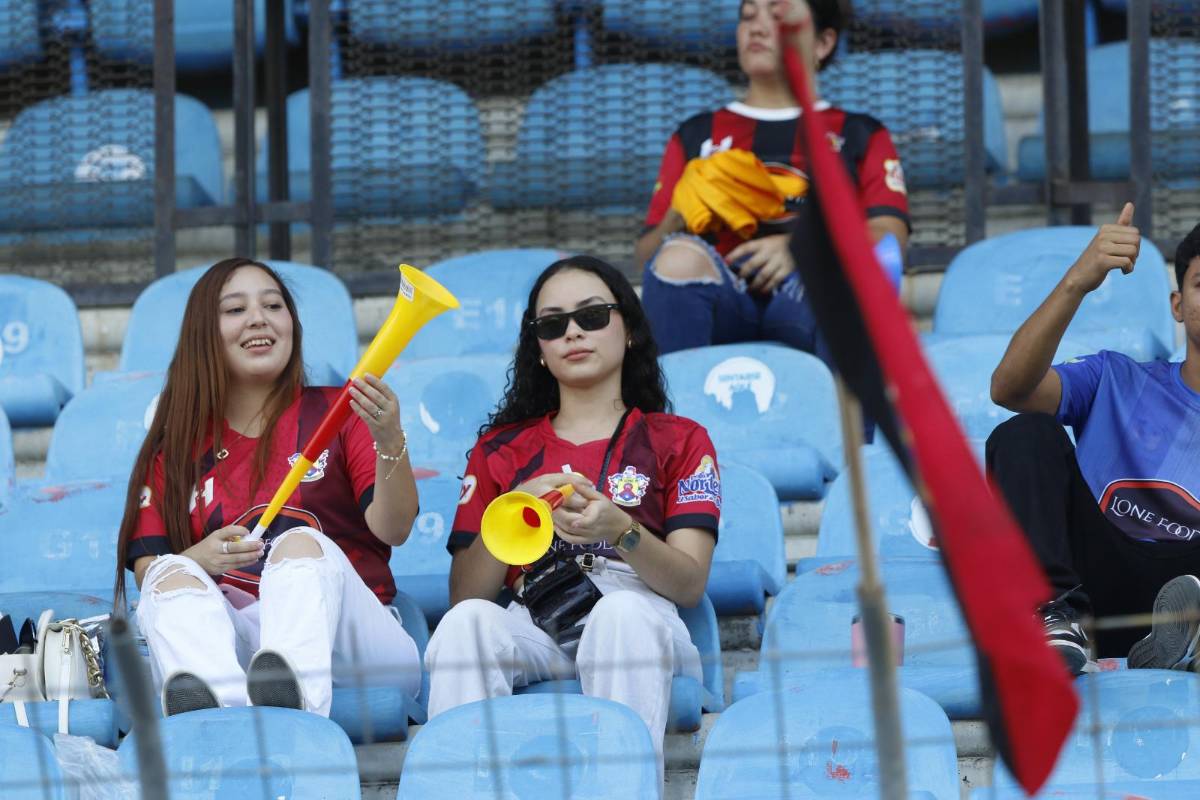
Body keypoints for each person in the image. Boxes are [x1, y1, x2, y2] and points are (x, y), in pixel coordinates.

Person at [424, 255, 720, 788]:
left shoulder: (679, 439)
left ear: (629, 329)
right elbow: (466, 595)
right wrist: (513, 505)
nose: (573, 333)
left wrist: (620, 531)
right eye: (552, 324)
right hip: (533, 612)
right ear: (538, 348)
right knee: (465, 625)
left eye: (592, 315)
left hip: (639, 612)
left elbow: (690, 583)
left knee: (621, 616)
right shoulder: (499, 450)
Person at [114, 257, 422, 716]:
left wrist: (390, 440)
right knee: (168, 573)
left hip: (359, 647)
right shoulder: (174, 446)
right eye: (235, 309)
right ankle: (218, 720)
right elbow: (148, 570)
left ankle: (292, 714)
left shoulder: (342, 411)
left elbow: (393, 529)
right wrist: (201, 558)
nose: (259, 318)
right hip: (241, 641)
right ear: (204, 334)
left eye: (273, 306)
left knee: (298, 544)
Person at [637, 0, 910, 364]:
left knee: (842, 276)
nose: (758, 27)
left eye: (778, 17)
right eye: (748, 15)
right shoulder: (695, 134)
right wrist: (678, 214)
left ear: (822, 43)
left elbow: (890, 237)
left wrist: (803, 247)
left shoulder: (861, 133)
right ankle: (674, 404)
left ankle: (843, 405)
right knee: (676, 259)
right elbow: (647, 258)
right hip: (720, 295)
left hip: (811, 292)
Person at [989, 203, 1200, 673]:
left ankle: (1181, 645)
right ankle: (1054, 616)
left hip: (1192, 591)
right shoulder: (1114, 378)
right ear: (1177, 305)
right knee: (1024, 432)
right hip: (1095, 584)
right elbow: (1009, 390)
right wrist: (1076, 283)